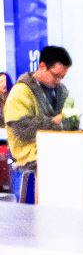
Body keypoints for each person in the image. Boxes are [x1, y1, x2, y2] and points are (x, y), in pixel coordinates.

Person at [4, 47, 72, 191]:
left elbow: (68, 121)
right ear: (42, 66)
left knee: (81, 158)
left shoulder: (61, 91)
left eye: (62, 77)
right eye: (56, 75)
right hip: (28, 151)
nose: (58, 81)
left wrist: (71, 120)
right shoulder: (21, 91)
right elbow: (21, 130)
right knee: (61, 160)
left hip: (56, 145)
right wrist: (54, 122)